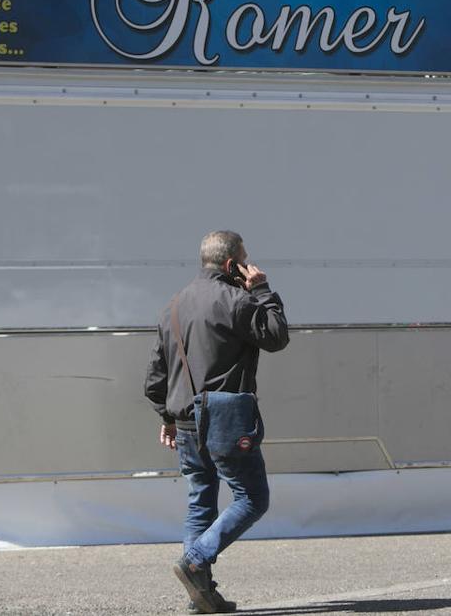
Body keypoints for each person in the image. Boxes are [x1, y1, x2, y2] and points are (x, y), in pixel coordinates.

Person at [144, 230, 290, 614]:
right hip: (225, 422)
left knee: (200, 501)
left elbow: (155, 379)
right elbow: (276, 336)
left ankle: (201, 595)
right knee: (253, 498)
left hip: (187, 422)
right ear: (232, 265)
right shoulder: (238, 300)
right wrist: (262, 289)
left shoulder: (172, 306)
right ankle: (195, 562)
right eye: (246, 259)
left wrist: (167, 417)